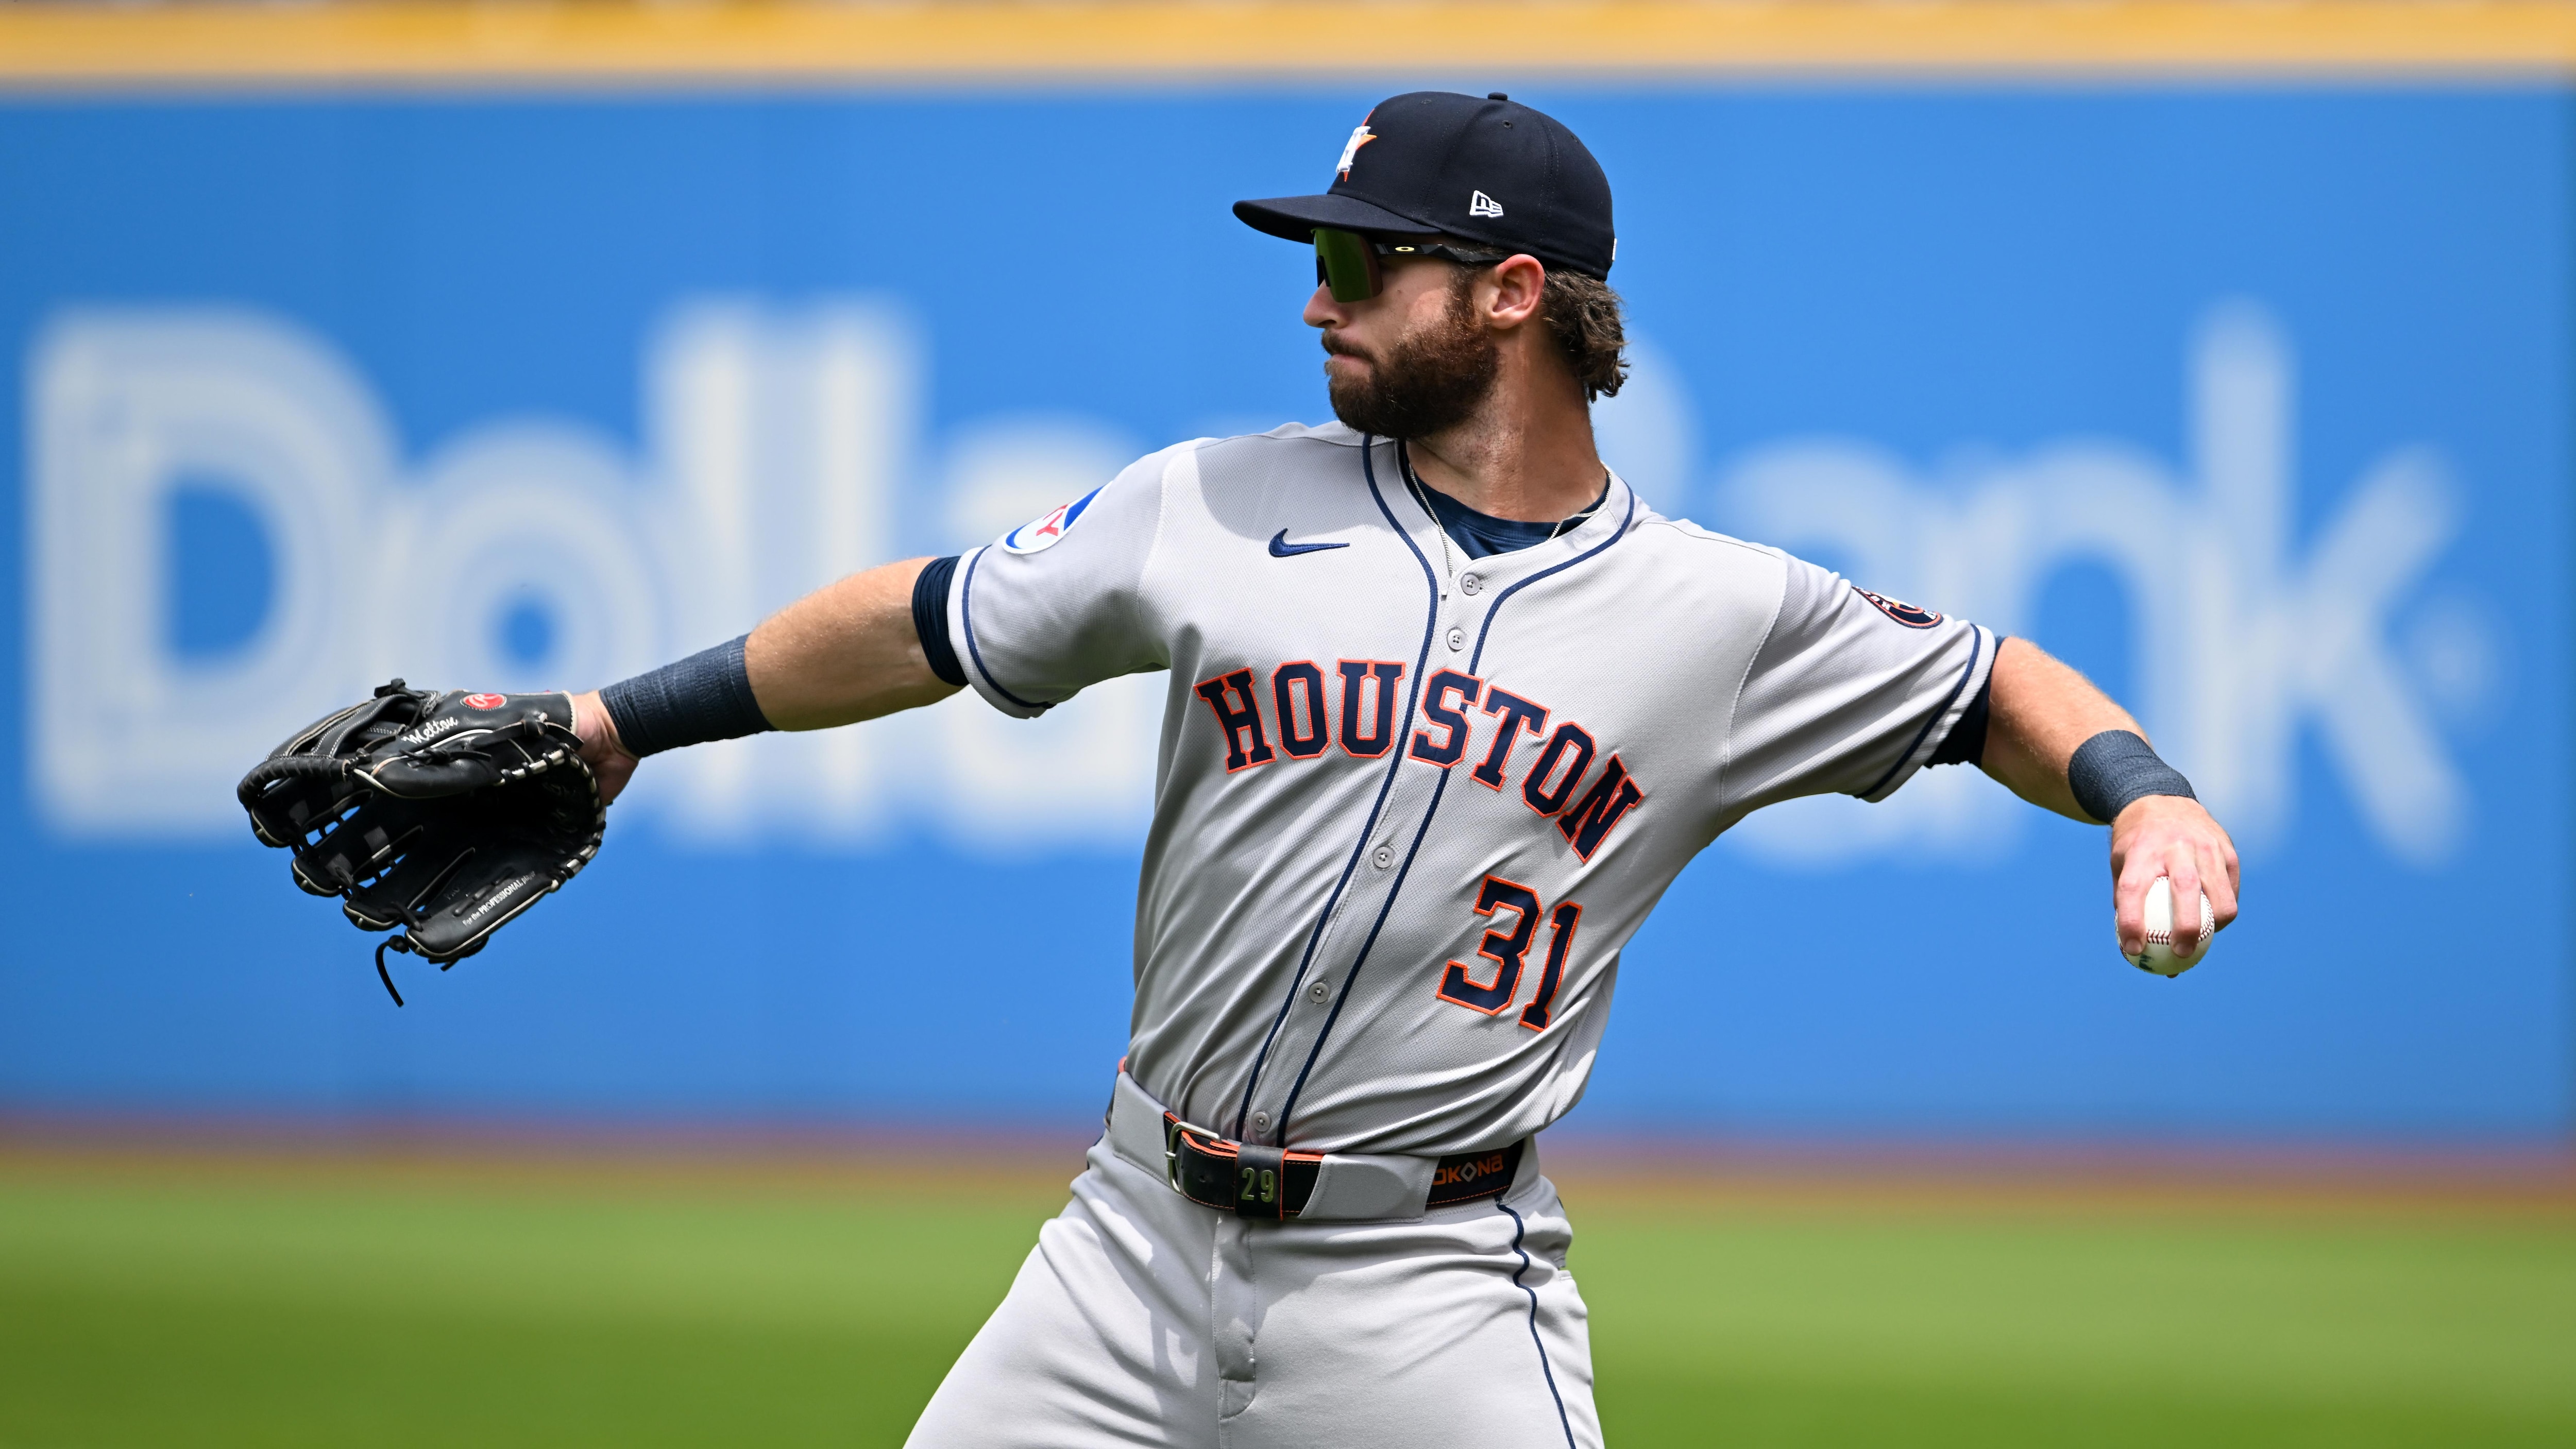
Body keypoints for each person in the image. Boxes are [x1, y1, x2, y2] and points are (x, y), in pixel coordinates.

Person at [569, 91, 2240, 1449]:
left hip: (1432, 1290)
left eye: (1370, 265)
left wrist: (2142, 787)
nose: (1320, 295)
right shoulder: (1210, 499)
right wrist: (619, 723)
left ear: (1513, 295)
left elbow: (1990, 681)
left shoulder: (1718, 612)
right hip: (1128, 1245)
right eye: (1325, 260)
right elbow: (925, 622)